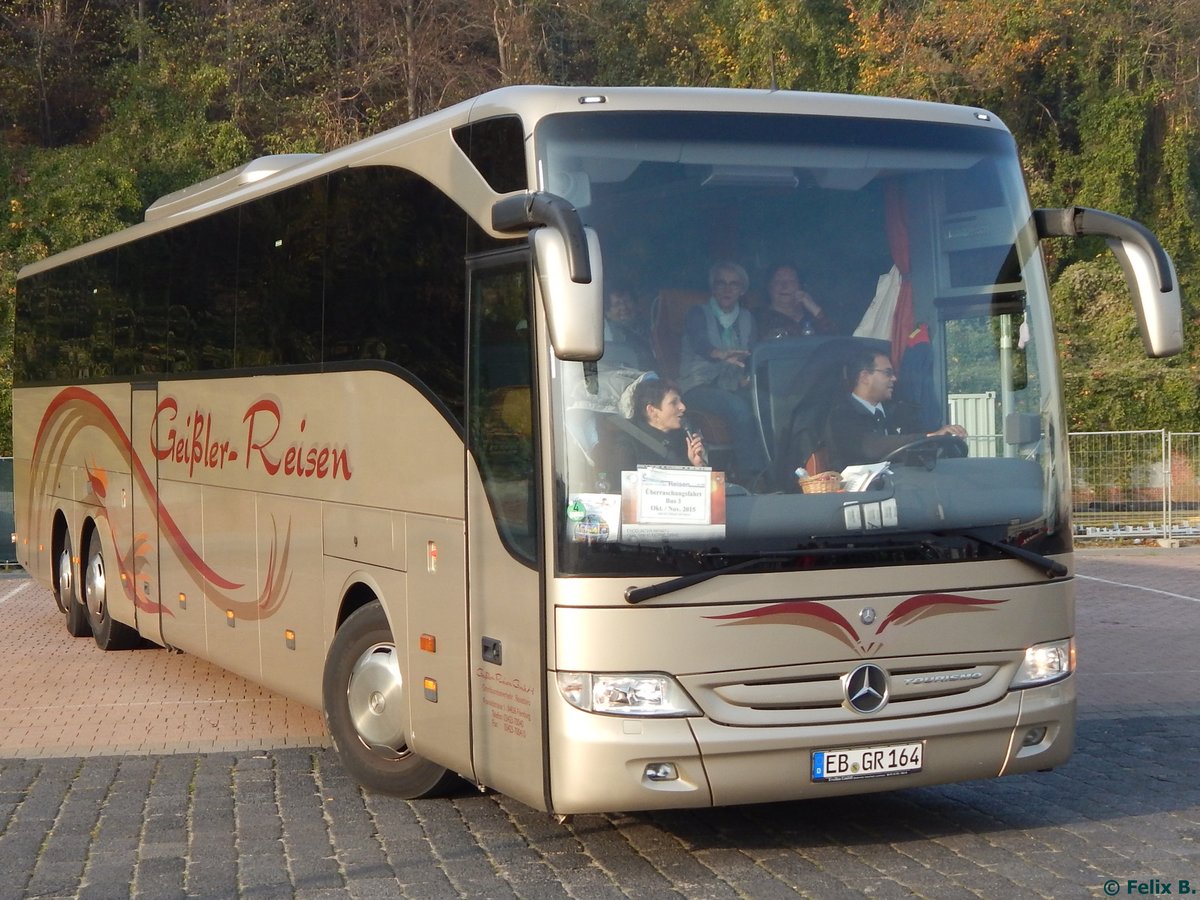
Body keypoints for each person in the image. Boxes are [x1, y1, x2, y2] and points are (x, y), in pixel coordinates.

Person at [677, 261, 768, 481]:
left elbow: (752, 355)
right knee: (738, 408)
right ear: (713, 288)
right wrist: (721, 355)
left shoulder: (748, 319)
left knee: (766, 404)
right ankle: (752, 478)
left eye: (733, 284)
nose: (727, 289)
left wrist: (748, 376)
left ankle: (776, 469)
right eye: (721, 284)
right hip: (697, 386)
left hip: (733, 385)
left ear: (742, 290)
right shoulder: (697, 313)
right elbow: (701, 344)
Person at [825, 347, 966, 471]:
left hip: (903, 488)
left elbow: (919, 439)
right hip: (861, 496)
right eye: (887, 373)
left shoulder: (899, 411)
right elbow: (871, 446)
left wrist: (942, 440)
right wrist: (929, 436)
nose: (894, 378)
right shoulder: (841, 416)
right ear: (865, 377)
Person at [597, 375, 708, 475]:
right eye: (674, 402)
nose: (683, 407)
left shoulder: (685, 440)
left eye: (680, 401)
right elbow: (624, 490)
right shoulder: (626, 443)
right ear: (652, 410)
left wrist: (697, 466)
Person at [758, 264, 836, 340]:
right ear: (769, 287)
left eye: (791, 280)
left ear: (800, 286)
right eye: (778, 280)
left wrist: (814, 308)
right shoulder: (758, 319)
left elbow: (835, 339)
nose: (784, 286)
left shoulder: (812, 318)